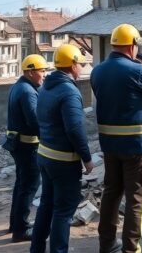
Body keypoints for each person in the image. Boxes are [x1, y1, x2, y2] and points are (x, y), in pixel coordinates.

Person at [91, 24, 142, 253]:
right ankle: (131, 248)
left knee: (111, 192)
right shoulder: (138, 71)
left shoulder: (97, 71)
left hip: (110, 145)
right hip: (136, 147)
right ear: (131, 46)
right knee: (137, 197)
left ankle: (107, 244)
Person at [31, 44, 93, 253]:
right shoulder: (69, 91)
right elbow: (75, 129)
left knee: (46, 206)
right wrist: (86, 157)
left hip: (45, 156)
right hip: (63, 161)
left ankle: (37, 249)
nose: (81, 68)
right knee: (63, 211)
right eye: (80, 64)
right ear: (73, 65)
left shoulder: (46, 87)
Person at [6, 54, 48, 242]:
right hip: (27, 145)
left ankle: (16, 223)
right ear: (30, 72)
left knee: (21, 184)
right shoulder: (28, 92)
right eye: (42, 71)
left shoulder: (19, 86)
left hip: (18, 144)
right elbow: (34, 122)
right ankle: (21, 230)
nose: (44, 75)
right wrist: (49, 139)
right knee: (30, 185)